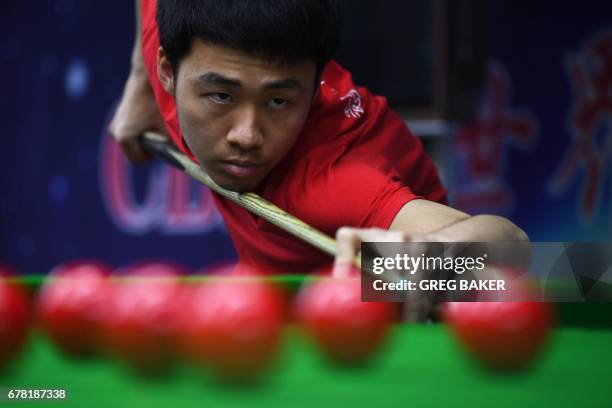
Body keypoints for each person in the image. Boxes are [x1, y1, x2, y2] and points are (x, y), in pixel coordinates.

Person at [109, 0, 528, 294]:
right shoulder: (178, 62)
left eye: (278, 101)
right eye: (222, 97)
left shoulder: (335, 182)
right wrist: (139, 85)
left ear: (312, 93)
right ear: (167, 70)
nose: (246, 135)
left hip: (395, 322)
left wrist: (425, 259)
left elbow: (513, 245)